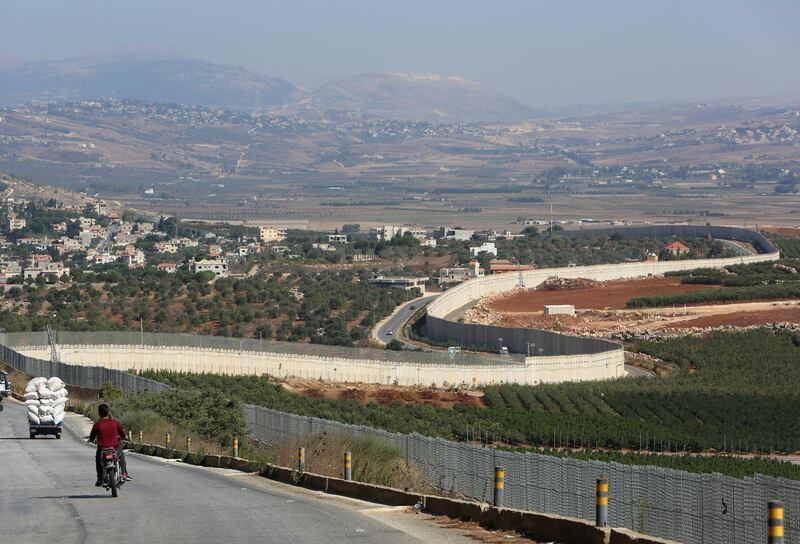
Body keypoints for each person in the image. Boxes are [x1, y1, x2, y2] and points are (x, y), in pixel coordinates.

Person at [88, 403, 131, 485]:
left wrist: (90, 440)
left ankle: (100, 478)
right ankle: (124, 473)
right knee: (120, 453)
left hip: (102, 450)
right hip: (114, 448)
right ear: (108, 412)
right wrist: (125, 438)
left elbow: (92, 437)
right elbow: (122, 434)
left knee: (98, 459)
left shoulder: (97, 425)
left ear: (99, 413)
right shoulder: (115, 423)